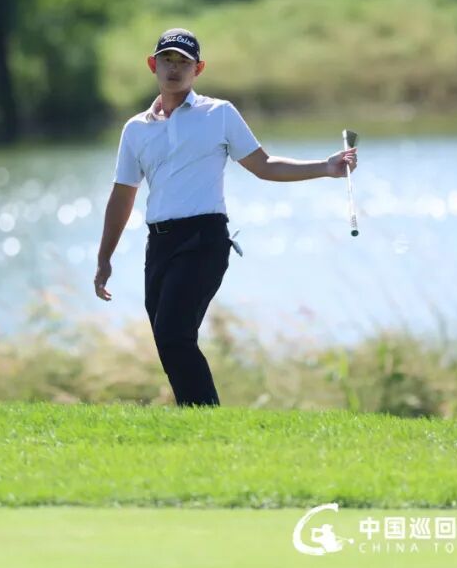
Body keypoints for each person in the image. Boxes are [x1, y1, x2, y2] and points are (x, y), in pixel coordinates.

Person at [94, 28, 357, 407]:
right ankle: (197, 415)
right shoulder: (136, 129)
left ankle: (205, 417)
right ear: (153, 64)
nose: (174, 68)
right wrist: (105, 257)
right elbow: (123, 195)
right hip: (160, 243)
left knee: (174, 334)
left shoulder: (218, 114)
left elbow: (264, 165)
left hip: (204, 239)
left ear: (198, 69)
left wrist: (326, 167)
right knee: (167, 338)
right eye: (167, 60)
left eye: (183, 62)